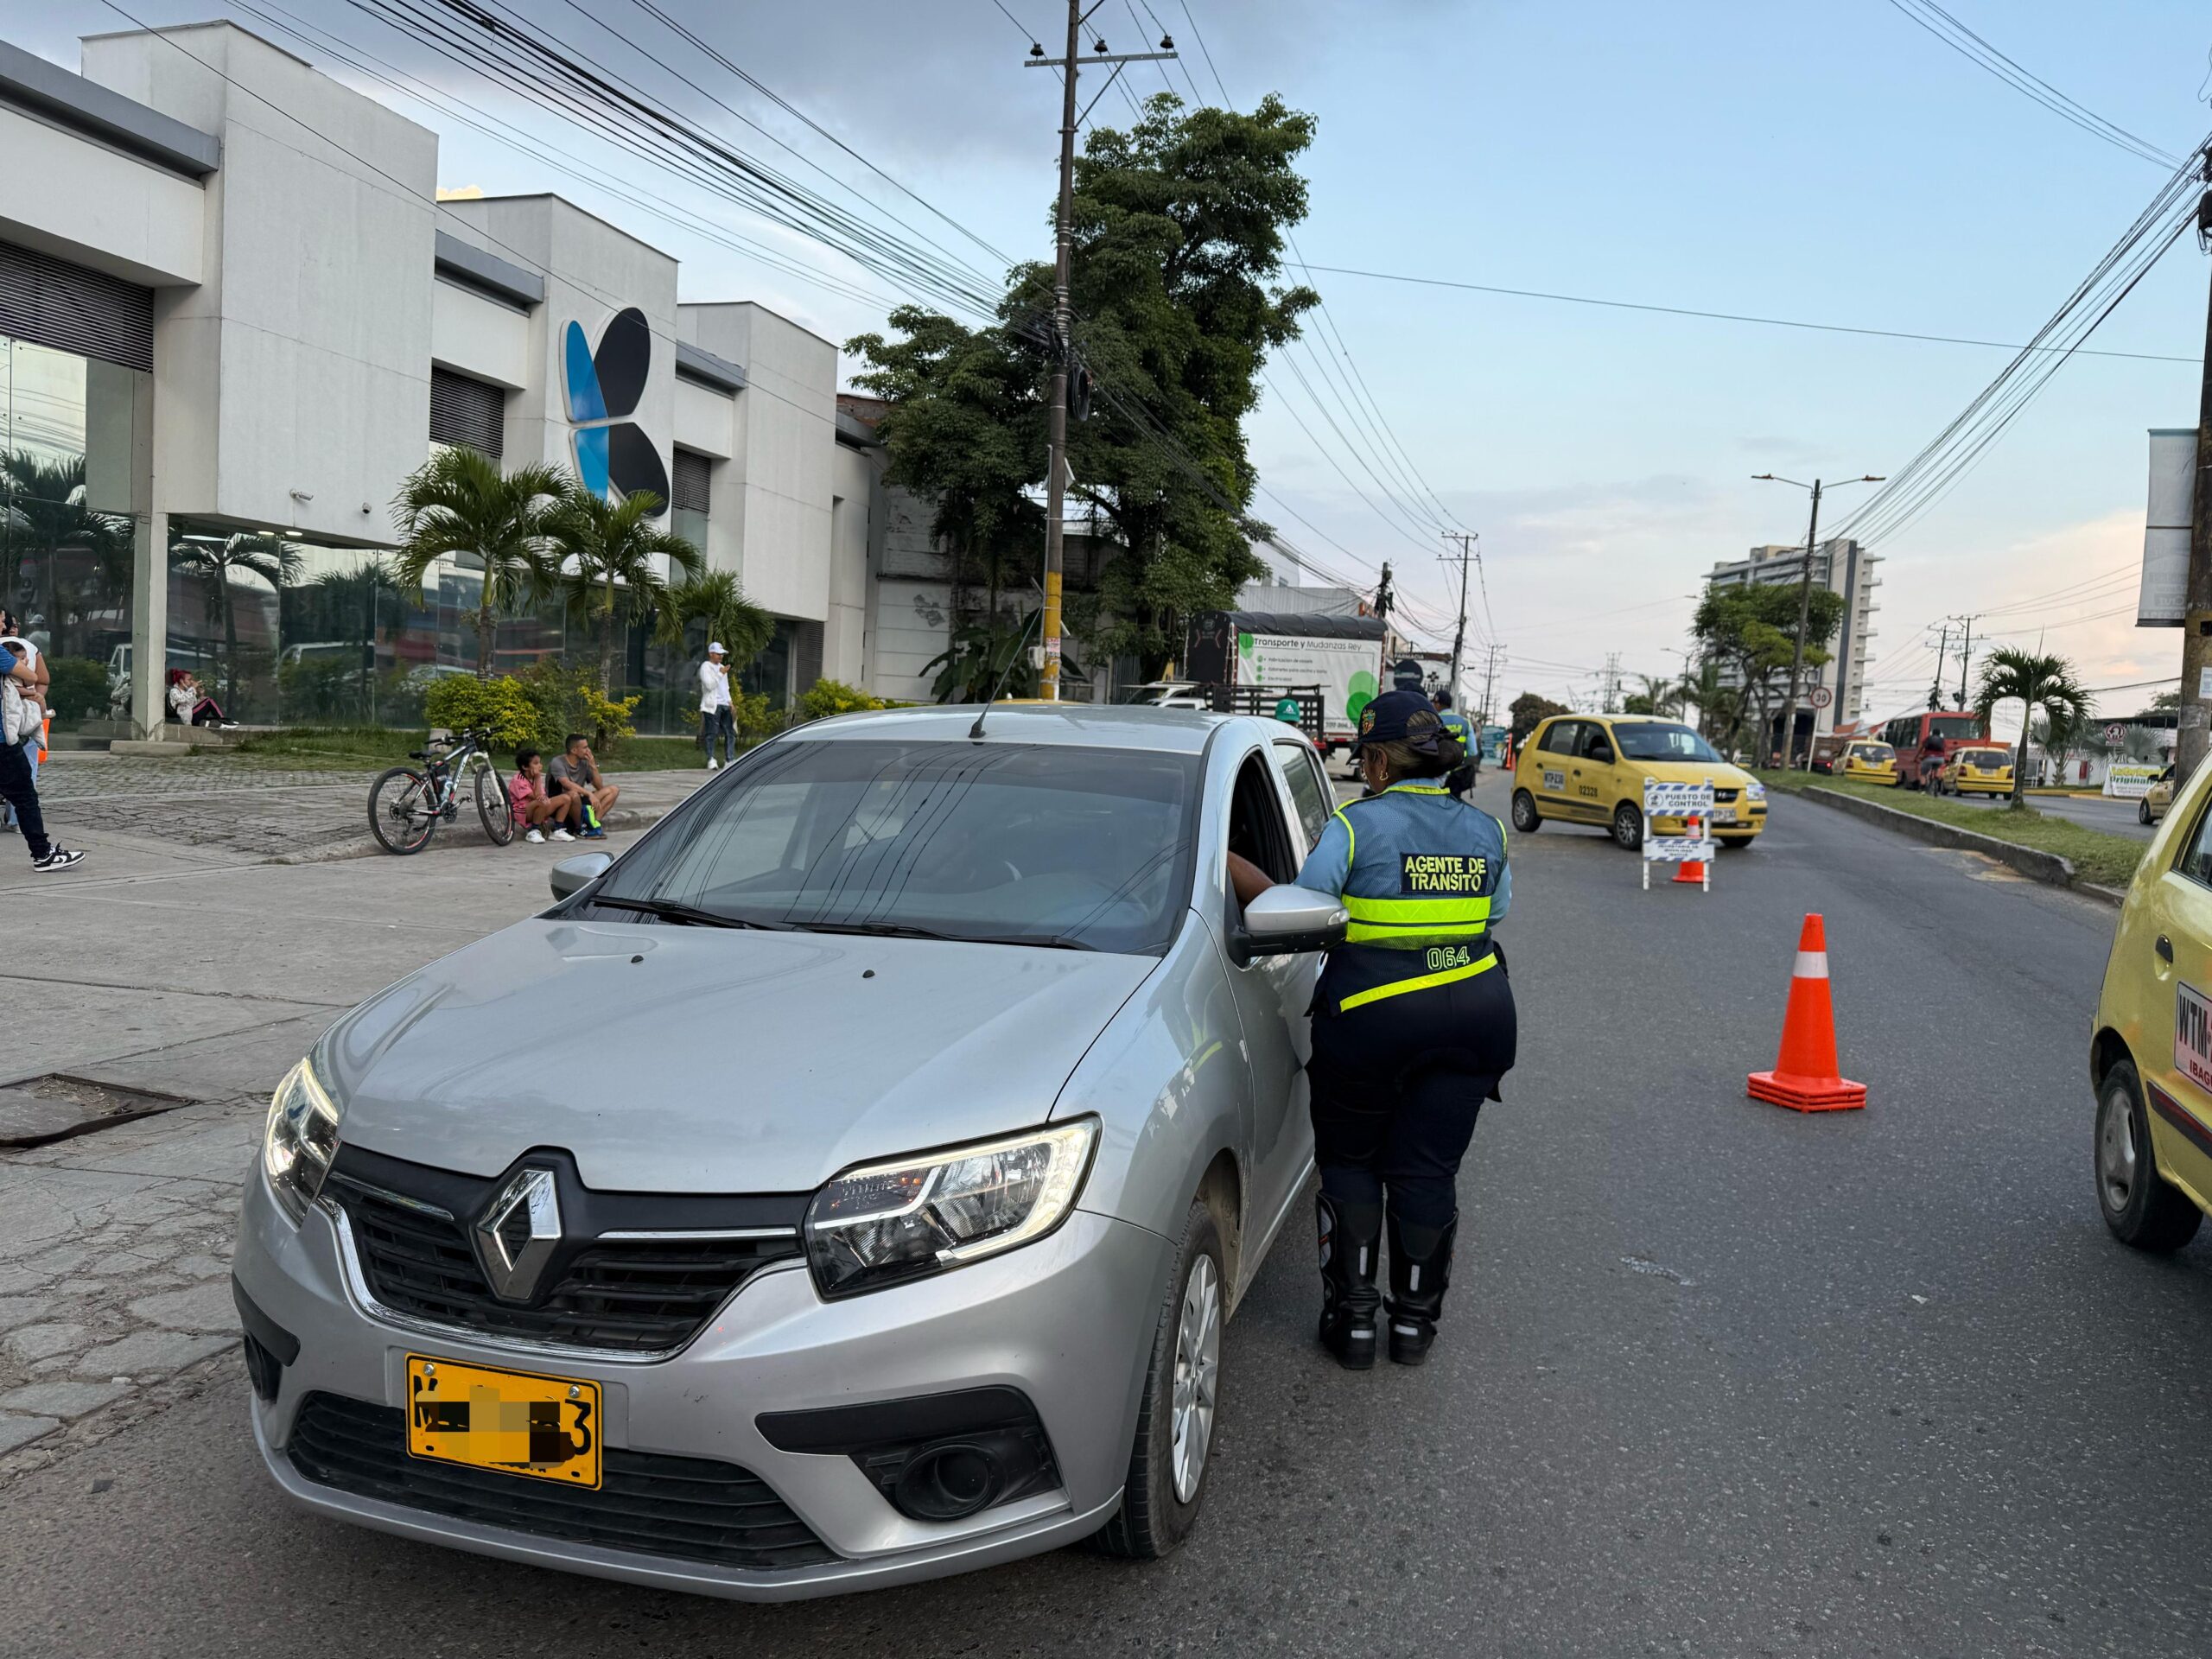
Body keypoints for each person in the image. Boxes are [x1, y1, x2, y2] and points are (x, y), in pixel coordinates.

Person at [1228, 690, 1515, 1370]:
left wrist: (1236, 872)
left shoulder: (1356, 828)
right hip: (1478, 1017)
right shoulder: (1488, 833)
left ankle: (1353, 1327)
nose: (1367, 769)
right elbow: (1493, 914)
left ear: (1382, 760)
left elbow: (1304, 911)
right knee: (1427, 1170)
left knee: (1354, 1163)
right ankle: (1414, 1329)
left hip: (1370, 1021)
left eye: (1368, 756)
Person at [0, 639, 82, 871]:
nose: (3, 626)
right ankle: (43, 853)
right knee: (25, 796)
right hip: (3, 742)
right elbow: (33, 677)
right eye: (2, 621)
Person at [0, 613, 46, 833]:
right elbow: (38, 678)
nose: (5, 625)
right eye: (4, 621)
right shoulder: (24, 647)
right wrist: (33, 696)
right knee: (25, 785)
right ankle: (19, 825)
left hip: (10, 727)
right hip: (11, 729)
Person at [547, 734, 617, 839]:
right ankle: (578, 829)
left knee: (613, 790)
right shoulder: (557, 762)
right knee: (573, 795)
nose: (588, 750)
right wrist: (589, 794)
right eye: (585, 748)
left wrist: (593, 766)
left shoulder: (584, 762)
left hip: (579, 800)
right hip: (562, 802)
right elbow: (567, 784)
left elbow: (599, 786)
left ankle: (592, 825)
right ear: (574, 750)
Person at [507, 747, 579, 844]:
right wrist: (537, 778)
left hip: (539, 808)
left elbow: (542, 796)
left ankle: (558, 830)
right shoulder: (518, 780)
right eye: (536, 763)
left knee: (566, 798)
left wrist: (538, 782)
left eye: (540, 763)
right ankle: (534, 831)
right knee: (542, 802)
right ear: (525, 767)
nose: (540, 766)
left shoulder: (534, 779)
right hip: (523, 813)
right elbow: (537, 797)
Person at [1433, 689, 1476, 799]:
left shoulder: (1433, 720)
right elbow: (1473, 751)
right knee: (1454, 804)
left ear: (1438, 704)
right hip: (1458, 772)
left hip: (1437, 772)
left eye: (1434, 703)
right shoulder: (1465, 722)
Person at [698, 642, 734, 770]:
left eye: (722, 654)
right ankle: (711, 759)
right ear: (711, 654)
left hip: (724, 704)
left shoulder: (723, 667)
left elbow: (726, 688)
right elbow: (709, 685)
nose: (720, 657)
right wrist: (720, 673)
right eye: (718, 654)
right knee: (711, 733)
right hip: (712, 705)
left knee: (730, 732)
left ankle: (729, 760)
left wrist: (730, 702)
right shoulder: (706, 667)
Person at [167, 668, 232, 728]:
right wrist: (192, 688)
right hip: (186, 717)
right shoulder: (174, 691)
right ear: (181, 681)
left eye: (192, 679)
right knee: (209, 701)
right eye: (189, 680)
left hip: (191, 715)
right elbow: (182, 699)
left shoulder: (187, 691)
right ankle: (222, 720)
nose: (191, 681)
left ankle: (221, 720)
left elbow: (194, 705)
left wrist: (201, 696)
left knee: (207, 700)